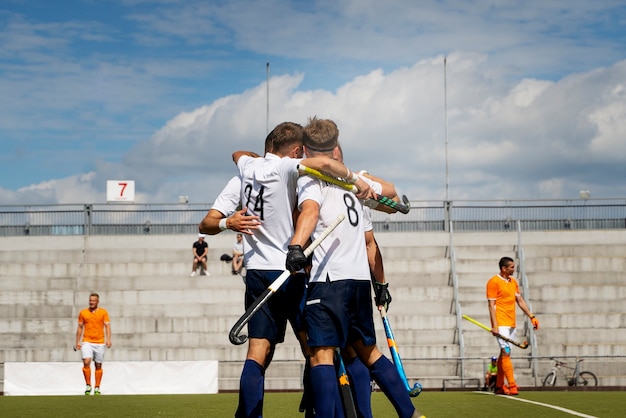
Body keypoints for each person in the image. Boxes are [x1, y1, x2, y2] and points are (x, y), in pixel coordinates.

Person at [231, 121, 373, 418]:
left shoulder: (247, 166)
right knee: (317, 349)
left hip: (258, 271)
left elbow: (237, 152)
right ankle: (325, 412)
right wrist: (356, 181)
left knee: (258, 350)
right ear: (296, 152)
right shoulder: (288, 169)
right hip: (292, 271)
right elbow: (323, 162)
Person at [287, 116, 424, 418]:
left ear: (307, 148)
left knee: (320, 355)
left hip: (329, 280)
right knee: (368, 352)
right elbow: (388, 191)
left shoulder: (311, 179)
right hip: (359, 281)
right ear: (335, 147)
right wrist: (364, 182)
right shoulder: (354, 182)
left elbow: (309, 211)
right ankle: (410, 413)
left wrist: (296, 244)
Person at [486, 256, 539, 396]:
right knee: (506, 353)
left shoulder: (513, 282)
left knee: (504, 354)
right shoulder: (493, 282)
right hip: (501, 323)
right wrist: (495, 326)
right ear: (504, 269)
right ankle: (512, 385)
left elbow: (519, 300)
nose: (514, 269)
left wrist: (531, 316)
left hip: (511, 323)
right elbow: (491, 306)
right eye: (511, 267)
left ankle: (498, 386)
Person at [75, 293, 111, 396]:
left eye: (93, 301)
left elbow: (107, 326)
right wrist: (77, 341)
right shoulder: (83, 313)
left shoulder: (103, 312)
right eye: (90, 300)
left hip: (99, 342)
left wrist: (108, 339)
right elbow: (80, 327)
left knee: (98, 365)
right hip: (87, 341)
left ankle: (97, 387)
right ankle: (88, 385)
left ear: (97, 302)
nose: (91, 302)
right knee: (86, 361)